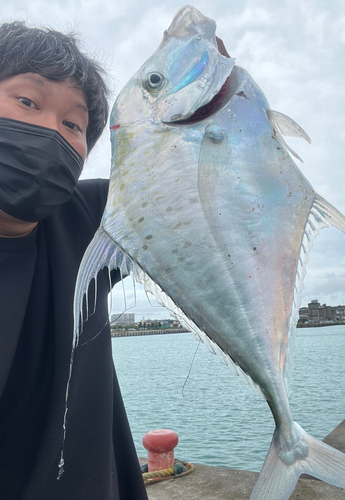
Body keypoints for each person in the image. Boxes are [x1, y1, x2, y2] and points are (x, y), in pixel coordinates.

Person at [0, 21, 148, 500]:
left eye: (73, 125)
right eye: (27, 101)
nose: (50, 131)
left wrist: (221, 108)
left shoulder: (88, 220)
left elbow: (200, 188)